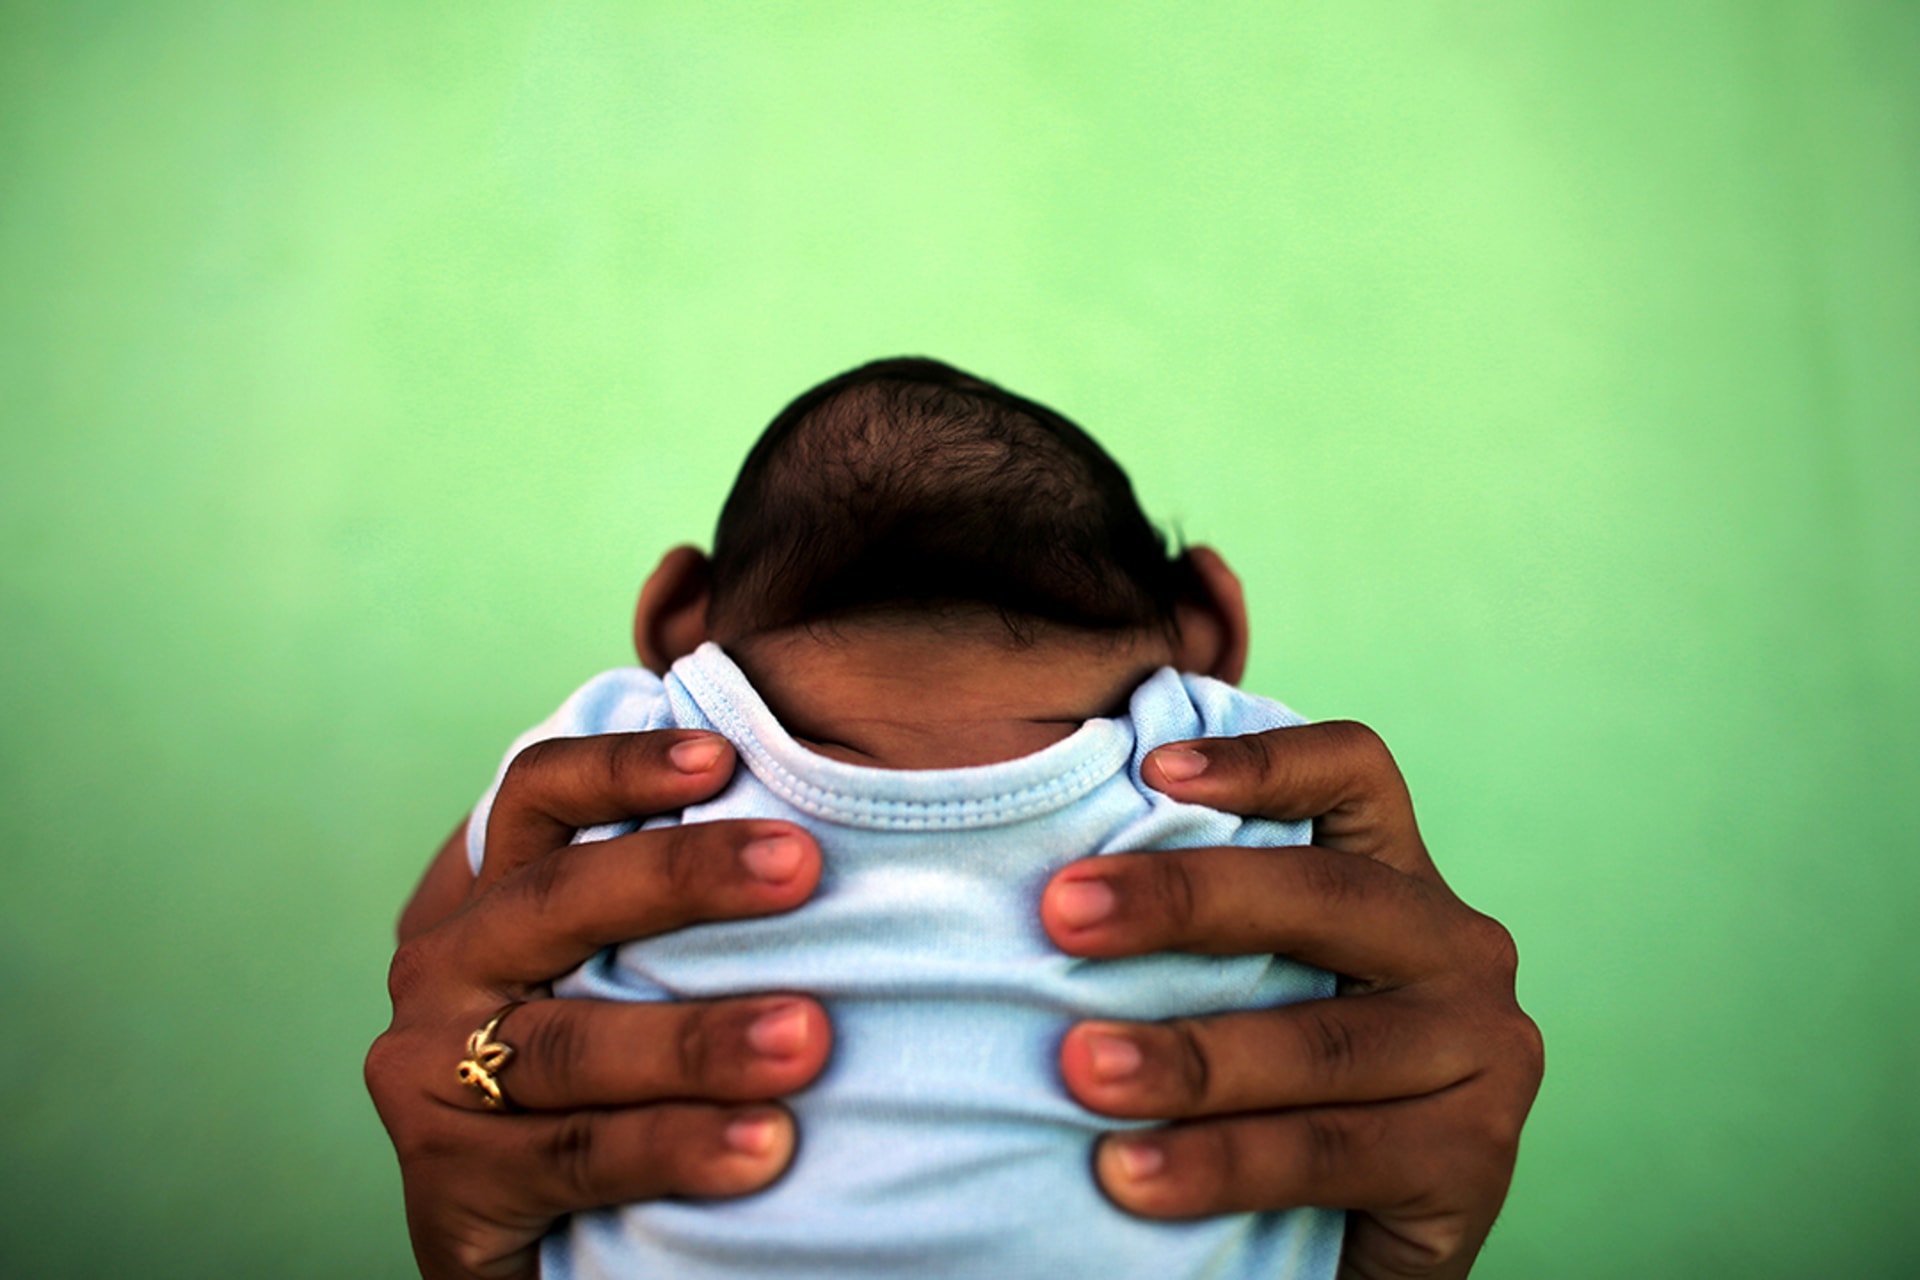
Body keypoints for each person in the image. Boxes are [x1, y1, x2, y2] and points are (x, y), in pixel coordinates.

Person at [367, 363, 1545, 1280]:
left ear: (680, 618)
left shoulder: (622, 743)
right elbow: (1389, 1034)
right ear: (1210, 626)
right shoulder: (1241, 762)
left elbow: (438, 959)